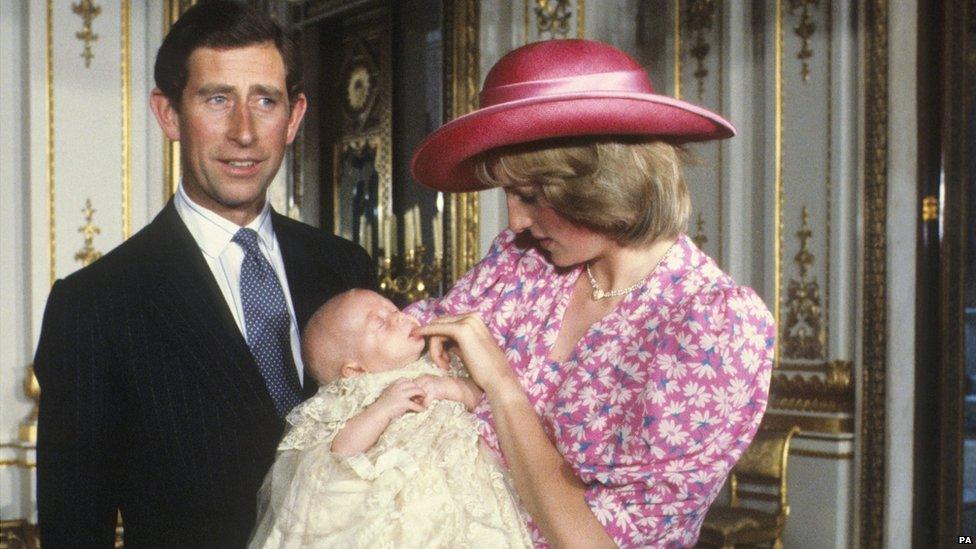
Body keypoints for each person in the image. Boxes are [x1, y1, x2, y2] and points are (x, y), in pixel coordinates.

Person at [408, 39, 776, 547]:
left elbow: (594, 541)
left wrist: (500, 383)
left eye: (531, 196)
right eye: (509, 196)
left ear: (607, 181)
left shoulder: (715, 326)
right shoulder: (521, 263)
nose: (515, 220)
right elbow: (401, 350)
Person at [33, 1, 374, 546]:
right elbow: (75, 531)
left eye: (265, 101)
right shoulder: (95, 306)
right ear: (169, 115)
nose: (244, 132)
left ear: (294, 117)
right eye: (217, 100)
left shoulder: (343, 267)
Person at [249, 289, 531, 548]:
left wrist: (451, 388)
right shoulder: (355, 393)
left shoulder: (440, 362)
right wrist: (382, 409)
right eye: (381, 323)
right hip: (397, 498)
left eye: (394, 309)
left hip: (458, 484)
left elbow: (483, 399)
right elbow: (340, 451)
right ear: (355, 369)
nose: (400, 317)